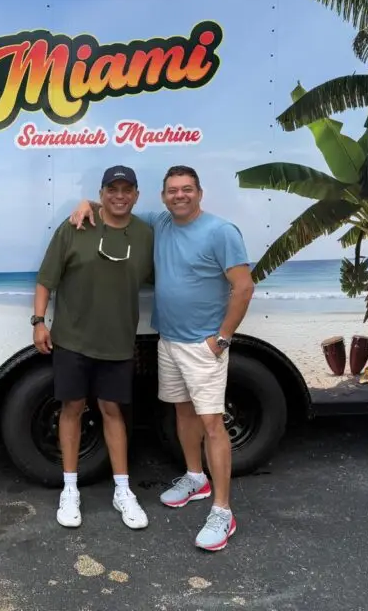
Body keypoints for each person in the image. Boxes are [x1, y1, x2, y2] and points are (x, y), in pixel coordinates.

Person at [68, 164, 253, 551]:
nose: (179, 196)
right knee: (183, 413)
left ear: (200, 193)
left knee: (212, 424)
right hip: (168, 339)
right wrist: (85, 203)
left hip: (203, 345)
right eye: (172, 190)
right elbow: (117, 208)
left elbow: (243, 287)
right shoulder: (161, 223)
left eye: (187, 189)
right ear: (163, 196)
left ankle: (223, 512)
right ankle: (195, 478)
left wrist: (221, 338)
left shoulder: (221, 232)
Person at [33, 165, 155, 530]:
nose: (120, 196)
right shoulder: (76, 226)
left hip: (118, 342)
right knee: (72, 408)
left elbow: (180, 221)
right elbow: (46, 279)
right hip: (72, 339)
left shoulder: (146, 233)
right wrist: (38, 322)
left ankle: (123, 491)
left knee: (112, 410)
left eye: (127, 190)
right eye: (112, 189)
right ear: (102, 193)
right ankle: (70, 489)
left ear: (136, 195)